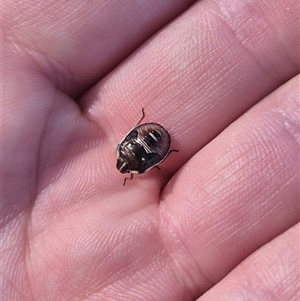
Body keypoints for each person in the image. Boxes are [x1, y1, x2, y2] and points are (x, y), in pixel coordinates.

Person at [1, 0, 299, 300]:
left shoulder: (136, 166)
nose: (122, 162)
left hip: (153, 138)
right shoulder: (134, 162)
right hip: (151, 137)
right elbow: (141, 149)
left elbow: (146, 157)